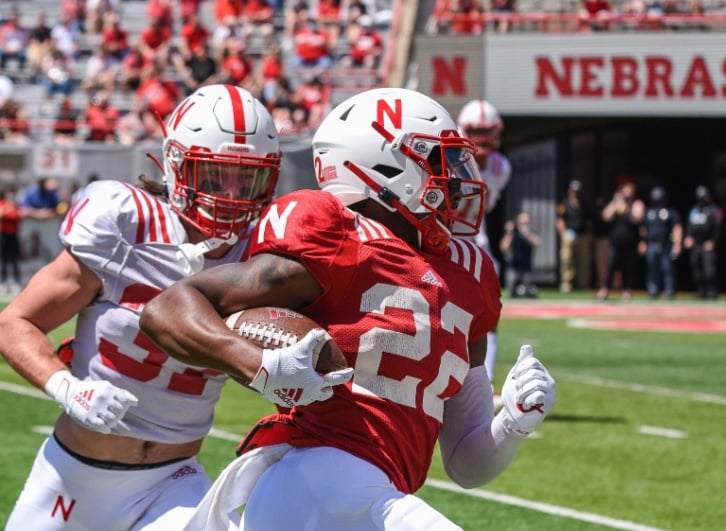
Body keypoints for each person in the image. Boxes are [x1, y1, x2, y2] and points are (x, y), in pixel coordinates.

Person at [140, 87, 556, 531]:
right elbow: (167, 307)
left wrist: (512, 423)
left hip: (372, 493)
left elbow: (466, 464)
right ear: (384, 167)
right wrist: (258, 365)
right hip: (316, 481)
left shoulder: (472, 273)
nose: (455, 176)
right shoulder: (341, 237)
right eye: (438, 159)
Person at [0, 84, 283, 530]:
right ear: (175, 164)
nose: (230, 194)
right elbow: (15, 322)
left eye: (246, 178)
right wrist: (68, 389)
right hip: (73, 475)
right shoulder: (128, 222)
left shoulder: (265, 254)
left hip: (172, 480)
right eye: (214, 175)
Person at [456, 98, 512, 387]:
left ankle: (482, 384)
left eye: (487, 131)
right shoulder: (451, 159)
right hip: (449, 240)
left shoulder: (500, 167)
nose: (483, 139)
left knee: (487, 320)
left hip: (475, 242)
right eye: (478, 131)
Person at [597, 181, 644, 301]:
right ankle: (605, 289)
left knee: (628, 268)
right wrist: (615, 201)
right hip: (616, 242)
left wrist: (629, 204)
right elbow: (606, 216)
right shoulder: (618, 205)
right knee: (611, 266)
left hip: (631, 242)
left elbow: (636, 219)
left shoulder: (636, 204)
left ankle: (627, 290)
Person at [639, 185, 682, 299]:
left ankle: (669, 291)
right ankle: (653, 290)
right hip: (652, 244)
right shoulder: (649, 212)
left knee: (667, 268)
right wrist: (642, 242)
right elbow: (643, 229)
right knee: (652, 269)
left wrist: (677, 243)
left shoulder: (670, 212)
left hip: (666, 244)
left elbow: (676, 228)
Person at [684, 185, 722, 299]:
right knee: (696, 269)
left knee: (709, 270)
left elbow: (718, 228)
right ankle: (700, 291)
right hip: (696, 244)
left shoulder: (714, 210)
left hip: (707, 244)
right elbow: (689, 226)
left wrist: (713, 242)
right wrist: (688, 237)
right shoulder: (694, 210)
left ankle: (711, 291)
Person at [557, 179, 592, 293]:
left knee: (583, 261)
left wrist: (589, 234)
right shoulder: (564, 203)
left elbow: (588, 220)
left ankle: (583, 283)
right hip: (569, 235)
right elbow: (560, 219)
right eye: (573, 190)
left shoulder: (584, 203)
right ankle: (566, 283)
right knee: (567, 259)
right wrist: (563, 233)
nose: (575, 193)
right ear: (570, 191)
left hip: (582, 235)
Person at [500, 211, 541, 298]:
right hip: (514, 269)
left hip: (527, 269)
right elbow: (504, 247)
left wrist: (527, 233)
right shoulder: (513, 233)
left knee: (530, 293)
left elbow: (537, 242)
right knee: (512, 292)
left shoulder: (531, 232)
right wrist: (509, 233)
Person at [0, 185, 22, 292]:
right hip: (3, 234)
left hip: (13, 234)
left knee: (14, 258)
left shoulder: (16, 205)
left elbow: (18, 215)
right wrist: (9, 209)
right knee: (3, 259)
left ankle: (16, 280)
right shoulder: (3, 204)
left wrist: (11, 209)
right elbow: (2, 215)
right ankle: (3, 281)